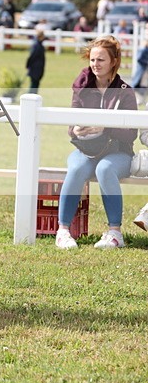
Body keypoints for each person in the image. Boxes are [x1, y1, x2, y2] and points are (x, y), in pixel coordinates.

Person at [55, 35, 137, 250]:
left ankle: (115, 234)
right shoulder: (81, 86)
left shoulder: (125, 92)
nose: (95, 64)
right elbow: (70, 126)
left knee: (105, 169)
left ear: (113, 62)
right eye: (92, 60)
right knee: (76, 167)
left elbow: (131, 134)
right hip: (86, 149)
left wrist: (105, 127)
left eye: (100, 60)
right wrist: (76, 129)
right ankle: (63, 232)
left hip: (119, 152)